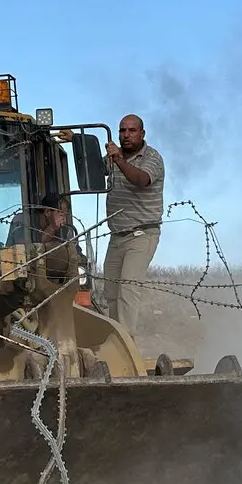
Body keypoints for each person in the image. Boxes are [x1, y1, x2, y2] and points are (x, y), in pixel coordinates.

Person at [100, 112, 165, 333]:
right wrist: (76, 140)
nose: (126, 135)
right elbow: (92, 169)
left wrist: (118, 159)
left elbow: (141, 180)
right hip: (117, 235)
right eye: (122, 130)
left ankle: (127, 350)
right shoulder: (112, 158)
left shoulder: (152, 158)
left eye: (131, 130)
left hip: (142, 234)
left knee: (128, 290)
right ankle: (116, 341)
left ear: (142, 133)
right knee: (111, 293)